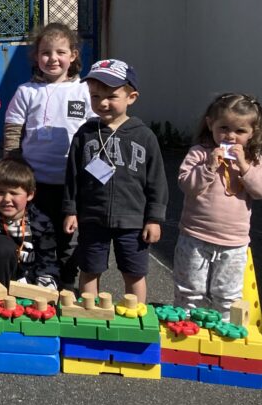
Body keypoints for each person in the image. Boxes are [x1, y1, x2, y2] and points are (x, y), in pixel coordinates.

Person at [64, 59, 168, 302]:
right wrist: (70, 210)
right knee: (89, 268)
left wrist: (154, 218)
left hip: (133, 219)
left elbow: (157, 180)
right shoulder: (85, 133)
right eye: (95, 96)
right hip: (92, 216)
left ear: (131, 97)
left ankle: (135, 315)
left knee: (134, 271)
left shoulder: (144, 136)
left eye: (111, 96)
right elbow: (72, 175)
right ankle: (90, 315)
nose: (102, 103)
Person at [3, 22, 94, 286]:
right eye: (45, 53)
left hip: (72, 184)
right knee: (35, 235)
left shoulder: (85, 91)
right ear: (36, 57)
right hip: (35, 182)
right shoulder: (26, 92)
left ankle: (66, 281)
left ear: (73, 56)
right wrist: (13, 171)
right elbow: (12, 134)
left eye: (60, 52)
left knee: (68, 238)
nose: (52, 58)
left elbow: (96, 136)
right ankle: (36, 281)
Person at [175, 93, 262, 318]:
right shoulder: (200, 153)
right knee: (189, 290)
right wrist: (208, 167)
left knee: (228, 295)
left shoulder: (253, 158)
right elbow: (187, 186)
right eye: (224, 128)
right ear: (210, 124)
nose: (230, 136)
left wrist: (243, 166)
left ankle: (223, 336)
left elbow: (259, 190)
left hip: (234, 243)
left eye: (240, 131)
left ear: (253, 133)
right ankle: (184, 331)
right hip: (194, 236)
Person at [0, 159, 58, 289]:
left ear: (30, 194)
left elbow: (47, 263)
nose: (6, 199)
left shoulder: (41, 221)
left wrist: (44, 292)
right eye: (0, 192)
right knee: (1, 246)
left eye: (14, 193)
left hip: (29, 287)